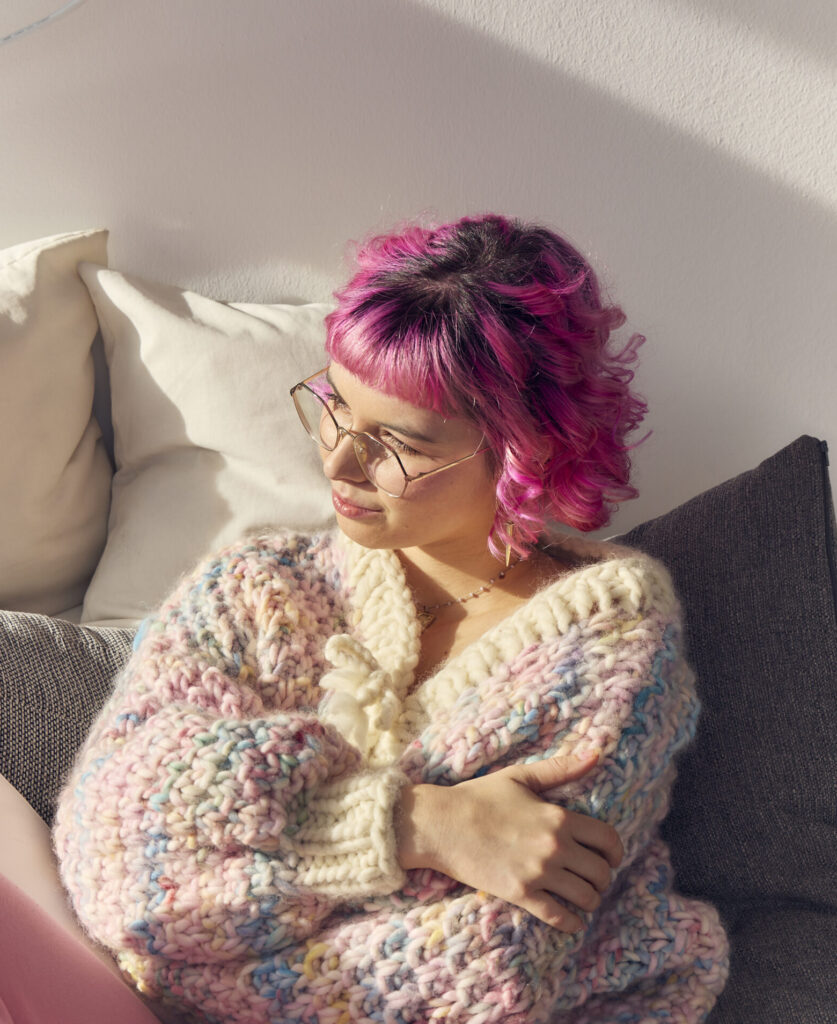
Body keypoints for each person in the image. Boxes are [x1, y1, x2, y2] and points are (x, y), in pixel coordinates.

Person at [54, 213, 728, 1023]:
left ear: (529, 450)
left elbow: (475, 973)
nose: (337, 460)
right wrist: (416, 822)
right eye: (334, 404)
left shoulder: (608, 653)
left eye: (399, 442)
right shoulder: (255, 590)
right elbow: (107, 845)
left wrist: (200, 922)